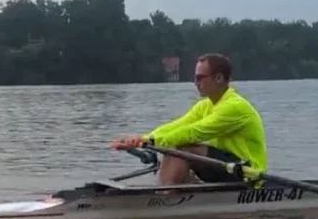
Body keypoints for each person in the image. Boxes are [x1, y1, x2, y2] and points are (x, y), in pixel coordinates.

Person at [111, 53, 267, 186]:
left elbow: (193, 132)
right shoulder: (205, 105)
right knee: (174, 144)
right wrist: (143, 138)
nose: (195, 83)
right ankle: (173, 192)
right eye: (195, 78)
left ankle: (164, 198)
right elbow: (177, 126)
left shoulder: (234, 107)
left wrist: (150, 141)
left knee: (183, 148)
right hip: (226, 166)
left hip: (248, 173)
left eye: (200, 78)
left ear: (219, 78)